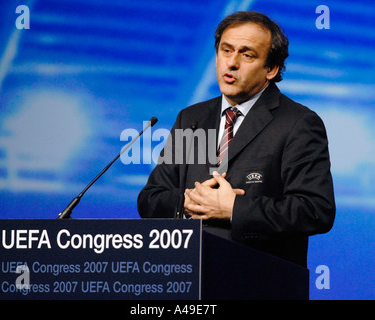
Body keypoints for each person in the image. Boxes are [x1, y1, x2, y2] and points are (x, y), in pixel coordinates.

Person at [137, 11, 335, 267]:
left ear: (271, 69)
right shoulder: (192, 118)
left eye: (247, 54)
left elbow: (315, 211)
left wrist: (234, 209)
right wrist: (189, 202)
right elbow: (151, 199)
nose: (231, 63)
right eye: (226, 50)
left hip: (259, 280)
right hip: (188, 276)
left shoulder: (298, 123)